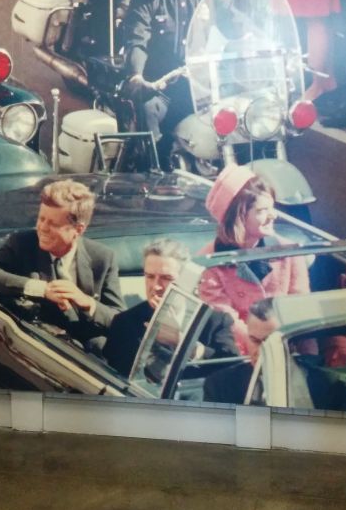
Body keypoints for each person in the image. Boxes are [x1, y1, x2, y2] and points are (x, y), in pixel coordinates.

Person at [0, 179, 124, 340]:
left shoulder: (103, 258)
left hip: (84, 350)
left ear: (78, 229)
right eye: (41, 219)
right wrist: (42, 289)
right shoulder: (23, 244)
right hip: (37, 343)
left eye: (54, 224)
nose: (43, 228)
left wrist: (87, 303)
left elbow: (120, 320)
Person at [121, 0, 212, 163]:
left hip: (198, 86)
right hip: (160, 89)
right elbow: (137, 40)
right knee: (149, 121)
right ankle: (149, 174)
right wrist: (137, 75)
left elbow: (230, 20)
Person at [197, 165, 311, 352]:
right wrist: (261, 348)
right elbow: (226, 321)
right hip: (238, 354)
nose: (273, 215)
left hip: (287, 347)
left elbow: (301, 308)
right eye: (262, 210)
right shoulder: (209, 261)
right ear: (238, 217)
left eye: (272, 208)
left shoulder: (289, 252)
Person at [103, 239, 238, 376]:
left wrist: (183, 343)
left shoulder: (215, 321)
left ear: (186, 280)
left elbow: (232, 369)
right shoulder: (125, 323)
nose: (156, 286)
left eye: (166, 278)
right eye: (150, 277)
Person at [202, 297, 279, 404]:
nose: (261, 352)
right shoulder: (220, 385)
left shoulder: (305, 380)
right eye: (254, 341)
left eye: (270, 343)